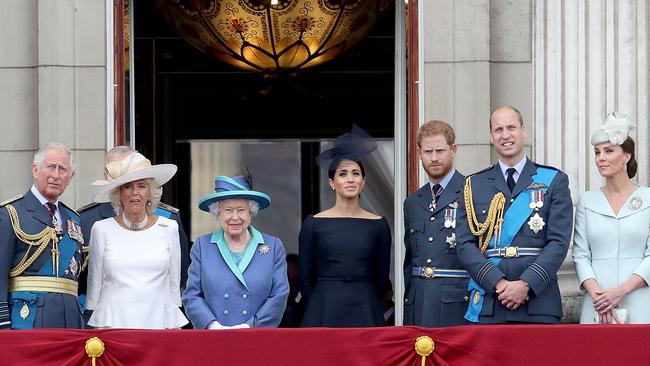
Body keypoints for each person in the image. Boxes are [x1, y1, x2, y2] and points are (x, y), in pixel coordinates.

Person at [456, 105, 573, 324]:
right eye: (498, 129)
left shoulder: (554, 180)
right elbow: (464, 245)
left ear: (523, 131)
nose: (505, 135)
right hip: (491, 302)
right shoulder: (473, 185)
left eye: (511, 127)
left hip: (538, 303)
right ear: (491, 137)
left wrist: (526, 284)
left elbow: (558, 243)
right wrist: (498, 283)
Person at [299, 126, 391, 327]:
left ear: (363, 181)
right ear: (332, 182)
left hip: (365, 309)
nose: (350, 179)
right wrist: (323, 299)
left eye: (355, 173)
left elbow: (382, 278)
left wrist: (363, 294)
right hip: (323, 309)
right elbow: (305, 279)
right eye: (343, 174)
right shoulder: (313, 224)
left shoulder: (379, 225)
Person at [85, 152, 188, 329]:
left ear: (150, 192)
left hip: (159, 325)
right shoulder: (101, 229)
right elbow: (94, 291)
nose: (135, 193)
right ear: (119, 193)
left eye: (141, 186)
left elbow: (173, 291)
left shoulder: (169, 228)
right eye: (127, 187)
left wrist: (174, 326)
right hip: (113, 325)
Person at [182, 175, 289, 329]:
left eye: (241, 210)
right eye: (228, 210)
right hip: (214, 338)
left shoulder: (272, 247)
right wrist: (212, 326)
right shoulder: (202, 246)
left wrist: (250, 326)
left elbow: (279, 295)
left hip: (257, 337)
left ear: (250, 213)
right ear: (218, 214)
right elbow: (192, 295)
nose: (235, 217)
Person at [573, 112, 650, 324]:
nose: (601, 158)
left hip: (640, 301)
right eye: (597, 153)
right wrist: (600, 297)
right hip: (596, 304)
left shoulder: (648, 198)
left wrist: (620, 292)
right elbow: (580, 255)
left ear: (627, 156)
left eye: (609, 151)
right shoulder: (587, 201)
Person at [0, 142, 87, 329]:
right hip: (27, 319)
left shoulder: (75, 219)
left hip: (70, 321)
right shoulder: (11, 213)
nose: (56, 175)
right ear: (35, 170)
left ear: (70, 177)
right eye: (51, 167)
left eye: (62, 169)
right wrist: (3, 323)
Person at [403, 120, 469, 327]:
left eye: (440, 150)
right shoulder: (413, 202)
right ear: (418, 153)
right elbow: (410, 263)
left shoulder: (472, 192)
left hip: (457, 306)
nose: (433, 158)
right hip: (418, 305)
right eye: (427, 151)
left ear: (453, 150)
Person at [280, 254, 305, 327]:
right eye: (287, 277)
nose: (290, 283)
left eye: (296, 279)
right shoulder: (267, 310)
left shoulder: (307, 312)